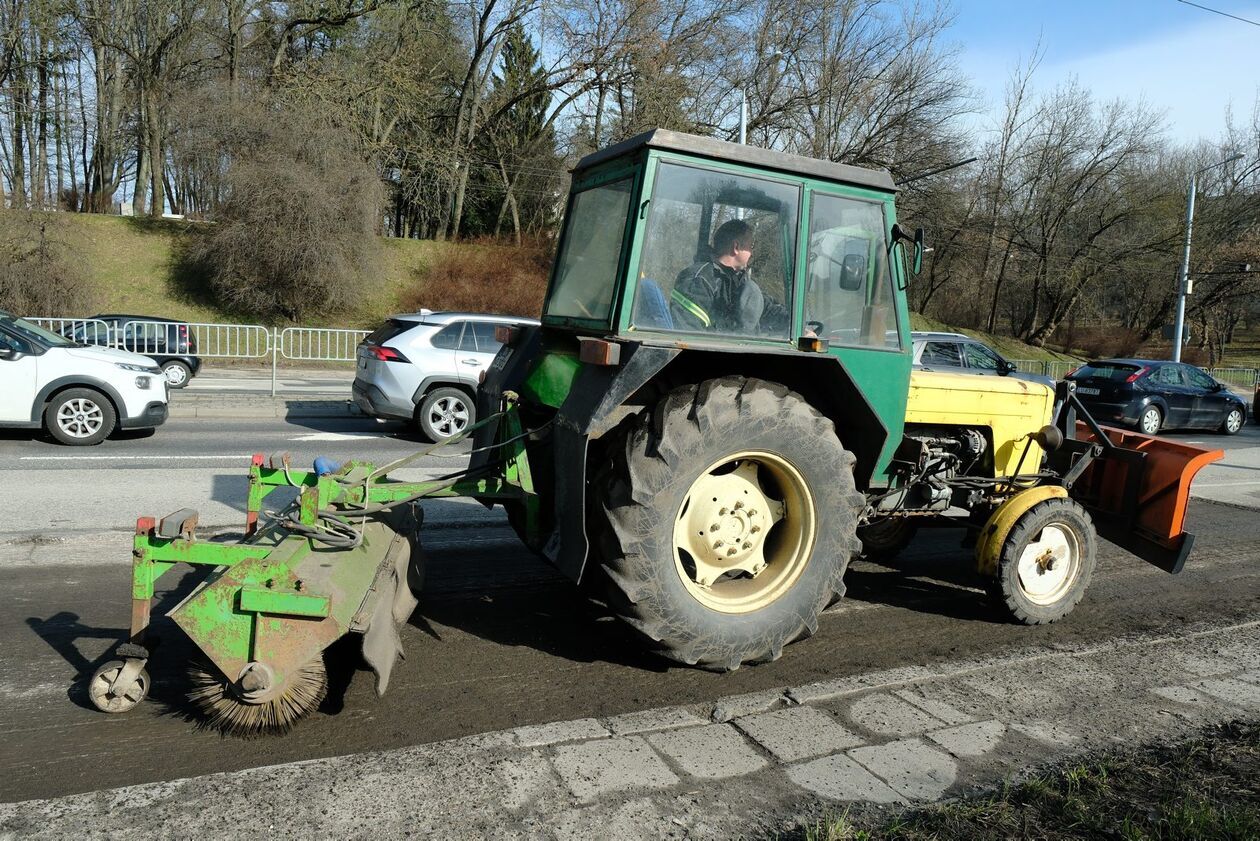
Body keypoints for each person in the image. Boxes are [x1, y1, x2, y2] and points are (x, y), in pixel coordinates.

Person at [669, 219, 789, 336]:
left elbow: (767, 309)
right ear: (736, 247)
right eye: (750, 246)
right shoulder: (698, 280)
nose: (752, 252)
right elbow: (688, 335)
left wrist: (799, 328)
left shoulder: (739, 281)